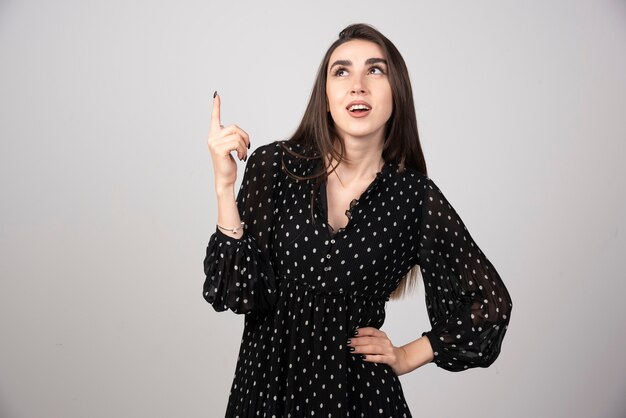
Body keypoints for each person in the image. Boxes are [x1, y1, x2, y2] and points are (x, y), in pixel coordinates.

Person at [203, 23, 513, 417]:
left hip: (360, 400)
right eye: (342, 71)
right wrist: (224, 186)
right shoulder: (275, 167)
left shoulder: (413, 198)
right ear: (326, 95)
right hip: (266, 394)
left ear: (396, 93)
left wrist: (406, 355)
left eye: (376, 70)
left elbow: (490, 304)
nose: (358, 85)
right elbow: (237, 293)